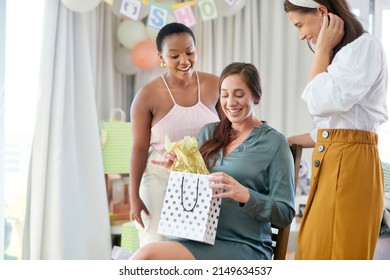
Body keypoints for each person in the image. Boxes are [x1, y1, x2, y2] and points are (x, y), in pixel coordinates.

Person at [129, 62, 296, 260]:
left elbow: (285, 214)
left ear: (256, 96)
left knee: (147, 256)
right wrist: (179, 166)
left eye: (239, 94)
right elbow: (198, 185)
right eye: (224, 95)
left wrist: (245, 195)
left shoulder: (275, 143)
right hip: (196, 237)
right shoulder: (209, 132)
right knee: (146, 256)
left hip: (245, 245)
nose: (230, 102)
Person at [284, 0, 388, 259]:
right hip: (333, 158)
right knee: (315, 248)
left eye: (300, 25)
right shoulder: (343, 55)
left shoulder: (364, 47)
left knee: (339, 252)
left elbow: (319, 103)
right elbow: (330, 129)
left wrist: (321, 49)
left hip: (350, 163)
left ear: (321, 11)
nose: (301, 36)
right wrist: (282, 140)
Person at [129, 22, 220, 247]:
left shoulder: (214, 84)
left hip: (204, 179)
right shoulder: (146, 95)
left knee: (196, 251)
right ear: (161, 58)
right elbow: (139, 149)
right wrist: (133, 198)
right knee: (159, 247)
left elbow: (230, 132)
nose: (184, 60)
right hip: (160, 180)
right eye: (174, 55)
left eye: (189, 52)